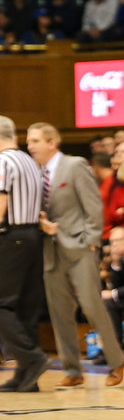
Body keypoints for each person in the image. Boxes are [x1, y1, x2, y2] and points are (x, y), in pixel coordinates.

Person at [26, 123, 124, 389]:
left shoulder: (75, 165)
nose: (30, 145)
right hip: (50, 249)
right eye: (29, 141)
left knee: (91, 305)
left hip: (80, 248)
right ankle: (72, 369)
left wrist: (91, 241)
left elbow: (92, 205)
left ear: (52, 142)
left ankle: (116, 361)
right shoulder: (35, 173)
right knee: (59, 312)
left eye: (35, 140)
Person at [0, 115, 49, 393]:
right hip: (33, 236)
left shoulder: (3, 161)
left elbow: (1, 199)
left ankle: (33, 358)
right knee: (25, 309)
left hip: (12, 236)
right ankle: (27, 377)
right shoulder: (29, 161)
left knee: (2, 304)